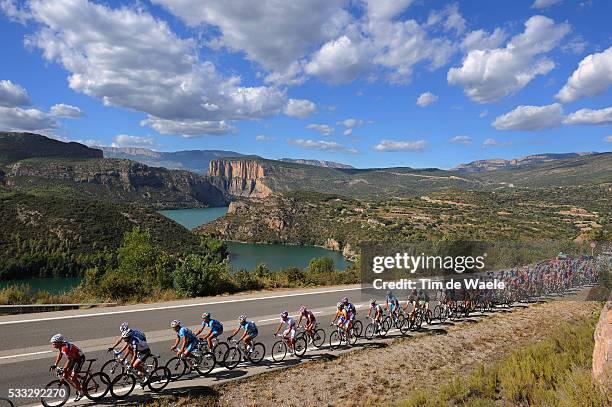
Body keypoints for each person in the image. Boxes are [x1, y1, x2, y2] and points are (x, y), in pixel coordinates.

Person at [50, 334, 85, 402]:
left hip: (79, 359)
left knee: (73, 377)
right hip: (73, 357)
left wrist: (64, 368)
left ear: (59, 343)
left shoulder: (65, 348)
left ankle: (81, 393)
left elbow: (70, 360)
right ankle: (81, 377)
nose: (53, 345)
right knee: (67, 372)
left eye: (54, 343)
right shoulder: (61, 346)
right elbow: (60, 354)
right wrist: (55, 364)